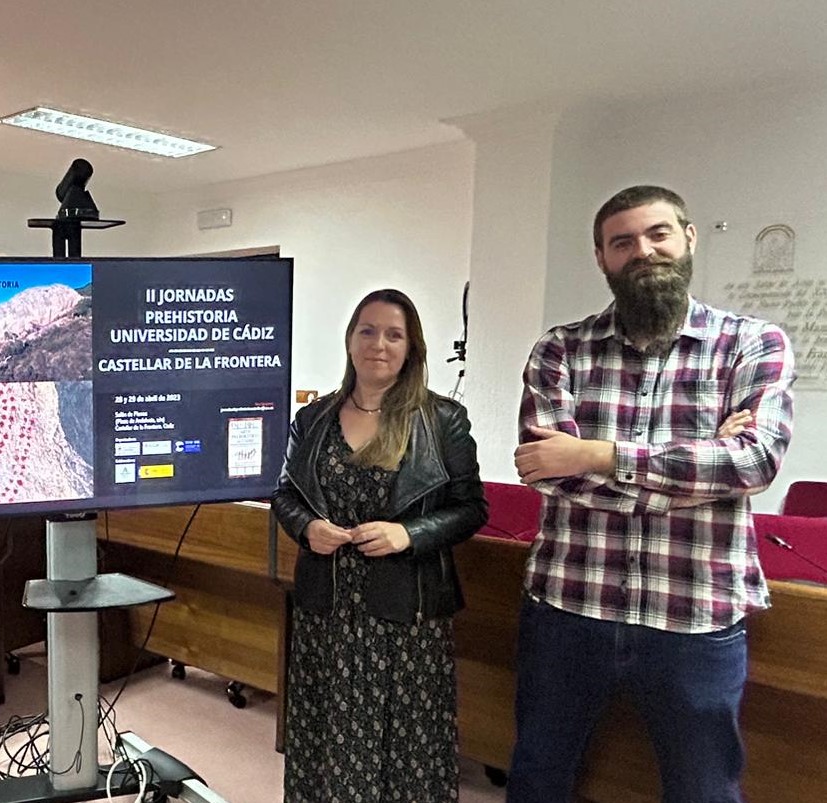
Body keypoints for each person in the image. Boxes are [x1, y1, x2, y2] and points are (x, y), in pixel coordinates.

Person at [508, 185, 796, 802]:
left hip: (695, 615)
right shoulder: (560, 350)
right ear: (602, 258)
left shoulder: (752, 343)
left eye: (657, 234)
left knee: (703, 790)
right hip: (569, 607)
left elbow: (756, 462)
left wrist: (598, 454)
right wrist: (705, 471)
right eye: (623, 242)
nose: (642, 251)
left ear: (688, 238)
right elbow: (548, 471)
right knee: (537, 778)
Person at [272, 288, 487, 803]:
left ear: (411, 347)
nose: (379, 344)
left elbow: (471, 508)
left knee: (407, 746)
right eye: (367, 331)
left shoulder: (443, 420)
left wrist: (408, 534)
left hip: (405, 613)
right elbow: (285, 494)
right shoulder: (313, 419)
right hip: (327, 610)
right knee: (325, 735)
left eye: (394, 334)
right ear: (350, 340)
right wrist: (306, 527)